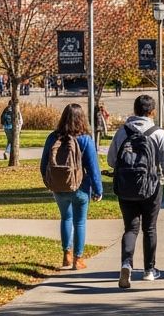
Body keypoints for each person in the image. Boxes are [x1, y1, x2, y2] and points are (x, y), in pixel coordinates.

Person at [107, 94, 164, 287]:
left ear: (134, 110)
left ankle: (126, 264)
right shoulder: (159, 133)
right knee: (149, 228)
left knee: (130, 228)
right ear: (153, 111)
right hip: (151, 187)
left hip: (125, 187)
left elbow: (111, 160)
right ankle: (149, 270)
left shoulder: (122, 132)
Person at [40, 103, 102, 270]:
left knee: (66, 218)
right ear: (82, 119)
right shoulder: (85, 139)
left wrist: (49, 182)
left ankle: (66, 255)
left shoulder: (53, 137)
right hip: (80, 187)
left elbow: (43, 164)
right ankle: (78, 259)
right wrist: (98, 189)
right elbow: (93, 168)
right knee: (79, 222)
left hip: (59, 187)